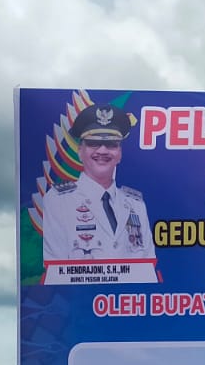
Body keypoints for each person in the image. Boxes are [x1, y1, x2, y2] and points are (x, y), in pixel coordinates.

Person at [42, 103, 154, 278]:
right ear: (80, 151)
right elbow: (56, 273)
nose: (102, 150)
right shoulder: (59, 201)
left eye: (111, 144)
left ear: (119, 153)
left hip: (129, 296)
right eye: (93, 143)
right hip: (81, 296)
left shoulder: (136, 204)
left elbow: (149, 270)